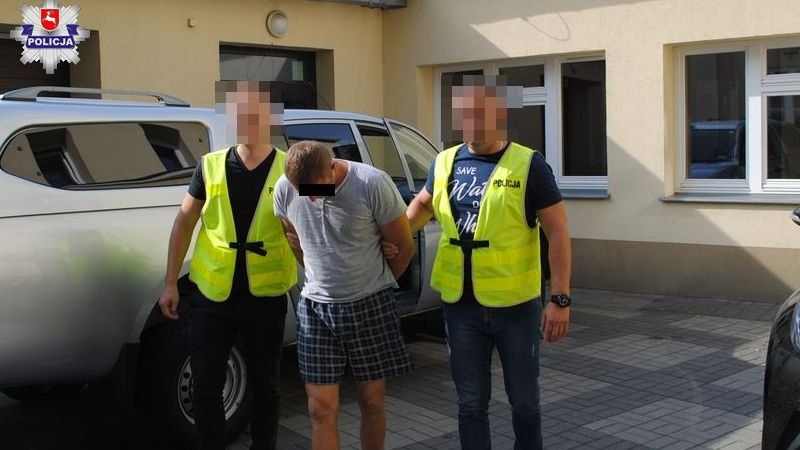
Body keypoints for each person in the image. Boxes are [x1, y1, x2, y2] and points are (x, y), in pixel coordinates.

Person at [386, 74, 572, 450]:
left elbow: (558, 233)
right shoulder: (445, 162)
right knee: (470, 404)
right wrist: (392, 238)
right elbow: (420, 207)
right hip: (461, 307)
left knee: (524, 402)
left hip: (516, 306)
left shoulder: (529, 164)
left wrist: (560, 299)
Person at [157, 80, 296, 450]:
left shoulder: (290, 168)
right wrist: (170, 283)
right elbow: (184, 222)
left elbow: (328, 203)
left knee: (266, 385)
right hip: (212, 294)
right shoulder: (209, 165)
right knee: (205, 386)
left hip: (265, 296)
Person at [273, 140, 415, 450]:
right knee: (319, 408)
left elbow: (404, 246)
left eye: (316, 189)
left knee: (372, 401)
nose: (311, 198)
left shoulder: (371, 183)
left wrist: (377, 279)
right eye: (303, 191)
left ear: (332, 167)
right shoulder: (285, 189)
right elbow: (293, 237)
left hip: (371, 304)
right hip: (316, 308)